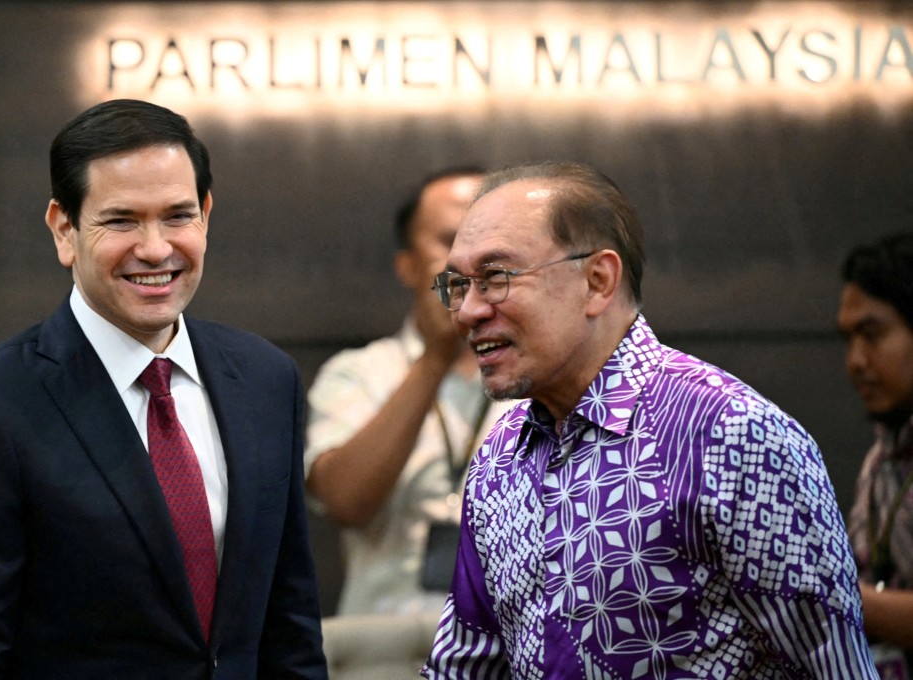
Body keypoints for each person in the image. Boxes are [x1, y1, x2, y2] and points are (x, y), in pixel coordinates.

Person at [0, 99, 327, 679]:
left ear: (206, 214)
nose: (155, 249)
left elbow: (289, 625)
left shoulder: (265, 379)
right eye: (122, 220)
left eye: (178, 215)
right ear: (64, 229)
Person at [421, 161, 878, 678]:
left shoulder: (734, 436)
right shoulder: (499, 456)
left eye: (496, 277)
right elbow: (463, 667)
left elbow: (832, 665)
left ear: (597, 281)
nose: (467, 311)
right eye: (458, 285)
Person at [305, 166, 513, 615]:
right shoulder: (359, 372)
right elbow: (345, 502)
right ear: (408, 265)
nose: (471, 260)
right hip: (386, 647)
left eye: (490, 241)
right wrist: (435, 359)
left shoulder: (541, 374)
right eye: (450, 240)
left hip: (514, 642)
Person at [838, 232, 913, 675]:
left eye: (872, 335)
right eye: (849, 340)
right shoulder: (884, 454)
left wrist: (828, 593)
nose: (856, 361)